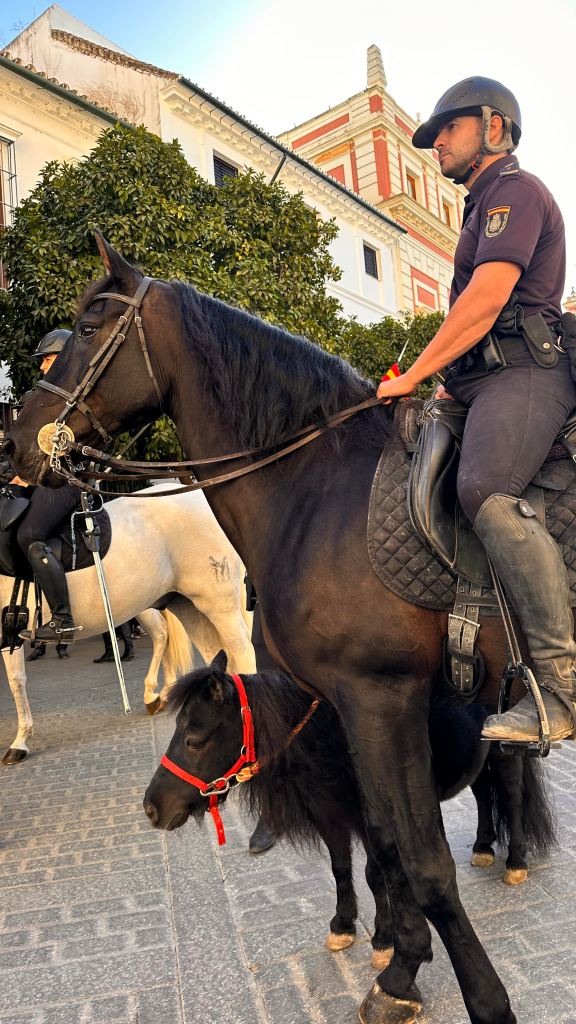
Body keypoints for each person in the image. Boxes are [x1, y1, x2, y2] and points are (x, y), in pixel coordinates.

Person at [376, 77, 576, 745]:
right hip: (477, 384)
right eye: (432, 138)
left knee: (484, 489)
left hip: (525, 373)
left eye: (448, 130)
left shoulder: (515, 193)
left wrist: (416, 374)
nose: (436, 145)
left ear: (494, 127)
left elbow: (487, 302)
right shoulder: (478, 208)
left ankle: (560, 688)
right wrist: (443, 389)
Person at [16, 329, 83, 646]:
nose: (42, 366)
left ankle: (63, 620)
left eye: (47, 359)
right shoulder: (45, 396)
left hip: (64, 480)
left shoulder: (78, 398)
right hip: (41, 477)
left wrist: (28, 476)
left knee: (28, 534)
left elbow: (69, 450)